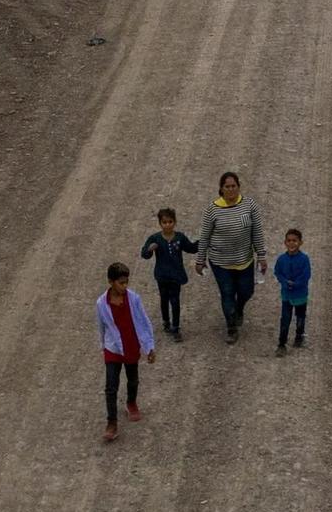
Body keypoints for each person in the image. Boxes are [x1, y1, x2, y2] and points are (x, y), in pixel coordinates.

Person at [195, 171, 266, 345]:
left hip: (245, 260)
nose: (231, 189)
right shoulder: (212, 210)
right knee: (227, 293)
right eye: (227, 186)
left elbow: (257, 232)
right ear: (221, 188)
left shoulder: (250, 206)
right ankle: (231, 327)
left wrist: (261, 256)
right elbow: (204, 236)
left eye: (234, 186)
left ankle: (239, 308)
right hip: (221, 262)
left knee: (246, 291)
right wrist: (200, 259)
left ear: (239, 187)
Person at [95, 262, 155, 443]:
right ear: (111, 282)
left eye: (126, 282)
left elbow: (144, 321)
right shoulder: (101, 303)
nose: (124, 286)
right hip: (112, 347)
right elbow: (101, 326)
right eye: (121, 283)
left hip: (130, 345)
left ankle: (131, 402)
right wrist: (102, 346)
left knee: (133, 379)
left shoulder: (134, 299)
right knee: (110, 387)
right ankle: (111, 423)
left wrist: (149, 346)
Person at [139, 207, 198, 340]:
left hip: (176, 276)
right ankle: (166, 321)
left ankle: (176, 328)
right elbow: (144, 254)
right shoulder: (155, 238)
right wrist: (149, 250)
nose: (167, 225)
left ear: (175, 222)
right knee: (164, 299)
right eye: (164, 222)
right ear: (160, 223)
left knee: (175, 301)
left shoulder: (180, 238)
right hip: (162, 275)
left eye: (170, 222)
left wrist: (203, 242)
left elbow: (191, 248)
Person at [273, 227, 311, 356]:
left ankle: (299, 336)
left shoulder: (304, 259)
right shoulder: (281, 259)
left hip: (300, 295)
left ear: (300, 242)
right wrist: (285, 282)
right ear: (285, 242)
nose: (291, 243)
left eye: (295, 240)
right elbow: (277, 272)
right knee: (285, 319)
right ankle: (281, 343)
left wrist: (295, 284)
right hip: (286, 295)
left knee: (300, 317)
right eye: (289, 240)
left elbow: (306, 275)